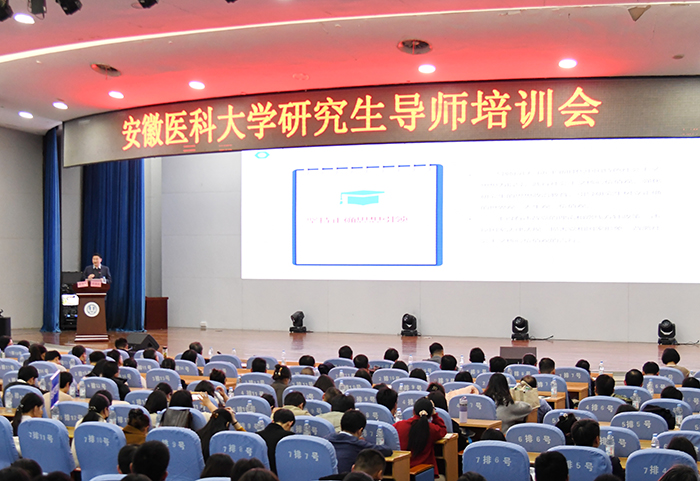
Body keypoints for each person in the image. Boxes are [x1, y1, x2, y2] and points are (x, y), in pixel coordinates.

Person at [327, 410, 392, 473]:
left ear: (341, 426)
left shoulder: (326, 440)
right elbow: (387, 451)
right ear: (360, 431)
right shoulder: (358, 444)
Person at [393, 397, 446, 475]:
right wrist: (435, 415)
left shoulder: (398, 425)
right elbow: (443, 430)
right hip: (423, 473)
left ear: (413, 411)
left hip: (401, 471)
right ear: (430, 414)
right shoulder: (431, 429)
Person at [257, 408, 295, 474]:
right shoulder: (290, 438)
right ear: (290, 423)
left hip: (260, 474)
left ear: (272, 421)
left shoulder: (257, 436)